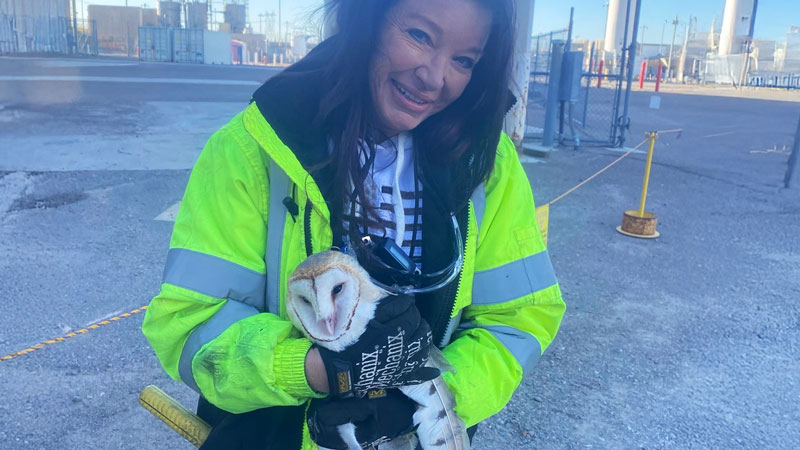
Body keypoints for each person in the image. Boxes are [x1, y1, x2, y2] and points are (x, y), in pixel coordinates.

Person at [142, 0, 566, 448]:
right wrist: (319, 369)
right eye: (420, 36)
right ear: (367, 19)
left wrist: (429, 403)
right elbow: (191, 327)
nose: (435, 77)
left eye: (464, 60)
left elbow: (518, 320)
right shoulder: (253, 151)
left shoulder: (488, 165)